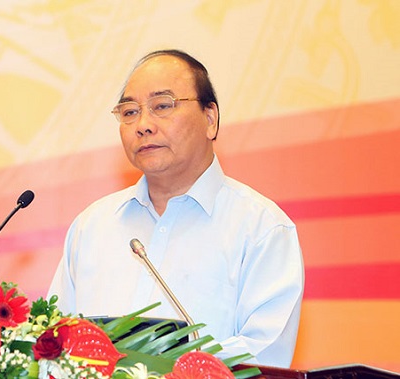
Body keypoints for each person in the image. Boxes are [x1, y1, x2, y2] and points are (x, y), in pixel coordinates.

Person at [48, 49, 304, 368]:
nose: (143, 125)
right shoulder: (92, 225)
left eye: (162, 106)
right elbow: (53, 341)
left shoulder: (262, 229)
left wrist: (156, 368)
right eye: (129, 112)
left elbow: (264, 357)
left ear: (210, 119)